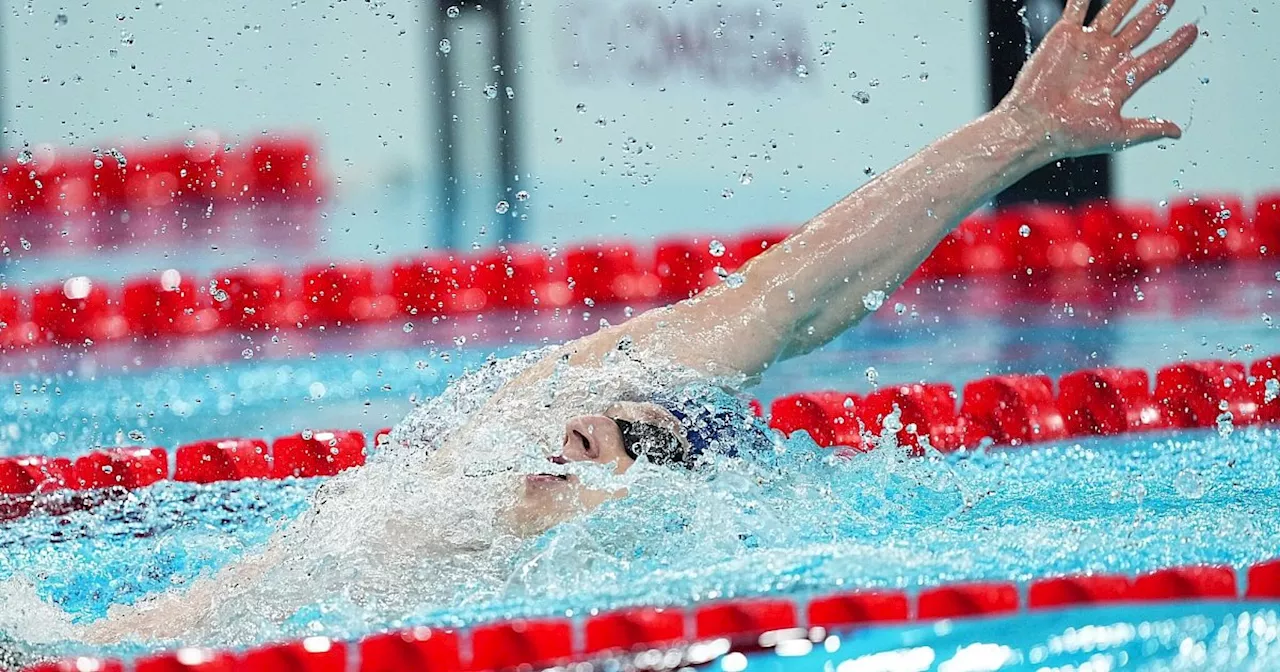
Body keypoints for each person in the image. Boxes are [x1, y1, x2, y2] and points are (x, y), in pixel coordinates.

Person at [6, 0, 1197, 657]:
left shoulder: (601, 578)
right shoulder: (489, 448)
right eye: (591, 420)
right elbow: (799, 292)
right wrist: (1009, 134)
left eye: (602, 443)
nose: (570, 433)